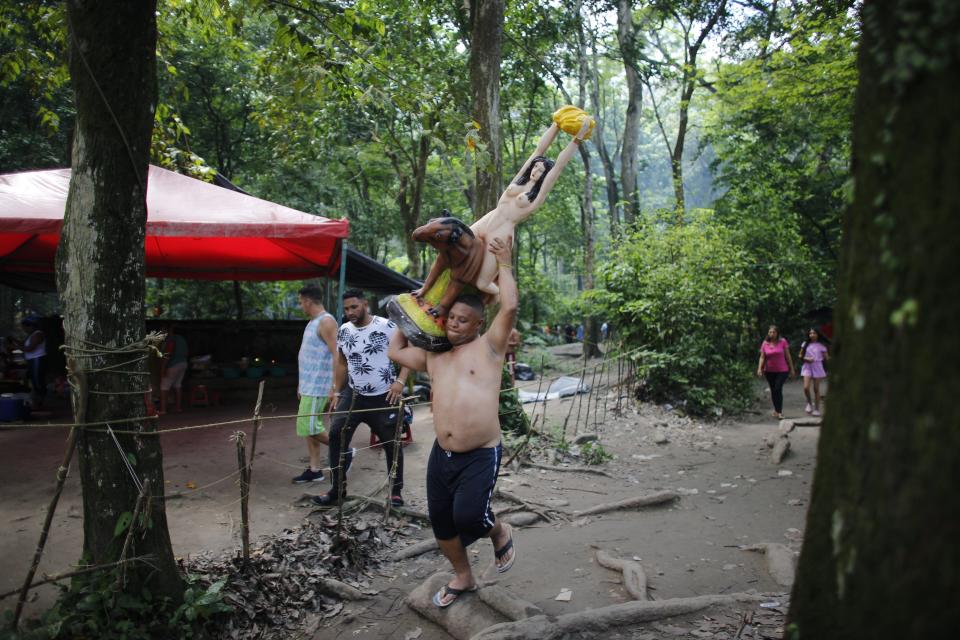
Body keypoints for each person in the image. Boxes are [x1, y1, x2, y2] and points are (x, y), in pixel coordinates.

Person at [388, 236, 518, 609]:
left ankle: (498, 530)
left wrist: (504, 263)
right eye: (451, 319)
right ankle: (464, 576)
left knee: (469, 517)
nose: (455, 325)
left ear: (479, 323)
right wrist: (413, 308)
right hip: (442, 455)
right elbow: (395, 350)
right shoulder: (434, 354)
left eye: (463, 320)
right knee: (442, 522)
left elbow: (509, 304)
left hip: (481, 452)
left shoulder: (490, 347)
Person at [412, 116, 593, 317]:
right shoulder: (520, 180)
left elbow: (558, 165)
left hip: (502, 232)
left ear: (544, 176)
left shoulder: (536, 197)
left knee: (482, 282)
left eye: (541, 170)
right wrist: (556, 124)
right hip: (489, 219)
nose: (536, 170)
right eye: (535, 167)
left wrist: (577, 137)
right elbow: (538, 151)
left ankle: (499, 295)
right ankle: (425, 289)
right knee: (451, 249)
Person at [312, 289, 410, 507]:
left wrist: (400, 382)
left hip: (384, 396)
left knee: (392, 444)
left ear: (365, 304)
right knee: (336, 435)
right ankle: (337, 490)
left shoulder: (387, 326)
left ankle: (395, 492)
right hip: (353, 395)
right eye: (346, 309)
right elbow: (341, 362)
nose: (350, 312)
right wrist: (337, 391)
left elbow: (407, 353)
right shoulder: (344, 330)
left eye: (354, 307)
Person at [291, 285, 339, 484]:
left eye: (301, 302)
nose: (301, 305)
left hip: (319, 386)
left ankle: (344, 451)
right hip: (308, 385)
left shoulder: (327, 322)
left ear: (308, 301)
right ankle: (315, 469)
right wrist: (301, 385)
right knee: (311, 429)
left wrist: (334, 387)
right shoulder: (313, 322)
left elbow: (338, 355)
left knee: (308, 427)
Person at [756, 325, 795, 419]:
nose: (772, 334)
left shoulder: (783, 342)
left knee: (778, 388)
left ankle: (779, 411)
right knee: (773, 390)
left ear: (777, 333)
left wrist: (792, 369)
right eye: (770, 332)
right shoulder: (765, 343)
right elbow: (762, 357)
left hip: (782, 370)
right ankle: (776, 411)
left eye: (774, 332)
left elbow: (788, 355)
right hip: (769, 371)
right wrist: (759, 368)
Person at [799, 327, 829, 417]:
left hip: (818, 366)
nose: (812, 335)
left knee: (816, 389)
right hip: (807, 366)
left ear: (818, 334)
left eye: (814, 333)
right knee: (806, 388)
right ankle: (809, 403)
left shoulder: (822, 345)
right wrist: (805, 358)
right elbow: (800, 355)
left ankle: (816, 409)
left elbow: (826, 358)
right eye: (810, 333)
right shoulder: (805, 344)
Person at [158, 325, 188, 415]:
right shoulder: (182, 339)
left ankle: (163, 410)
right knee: (177, 385)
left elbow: (168, 355)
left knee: (164, 387)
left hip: (173, 365)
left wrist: (163, 369)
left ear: (168, 330)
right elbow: (187, 352)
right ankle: (178, 408)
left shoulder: (171, 339)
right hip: (183, 363)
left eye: (162, 331)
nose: (161, 333)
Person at [20, 317, 46, 408]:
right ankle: (37, 399)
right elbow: (23, 344)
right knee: (33, 380)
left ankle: (41, 399)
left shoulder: (37, 334)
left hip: (37, 359)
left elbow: (30, 348)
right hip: (32, 360)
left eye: (24, 327)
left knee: (37, 379)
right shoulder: (31, 335)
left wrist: (16, 347)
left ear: (29, 326)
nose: (24, 330)